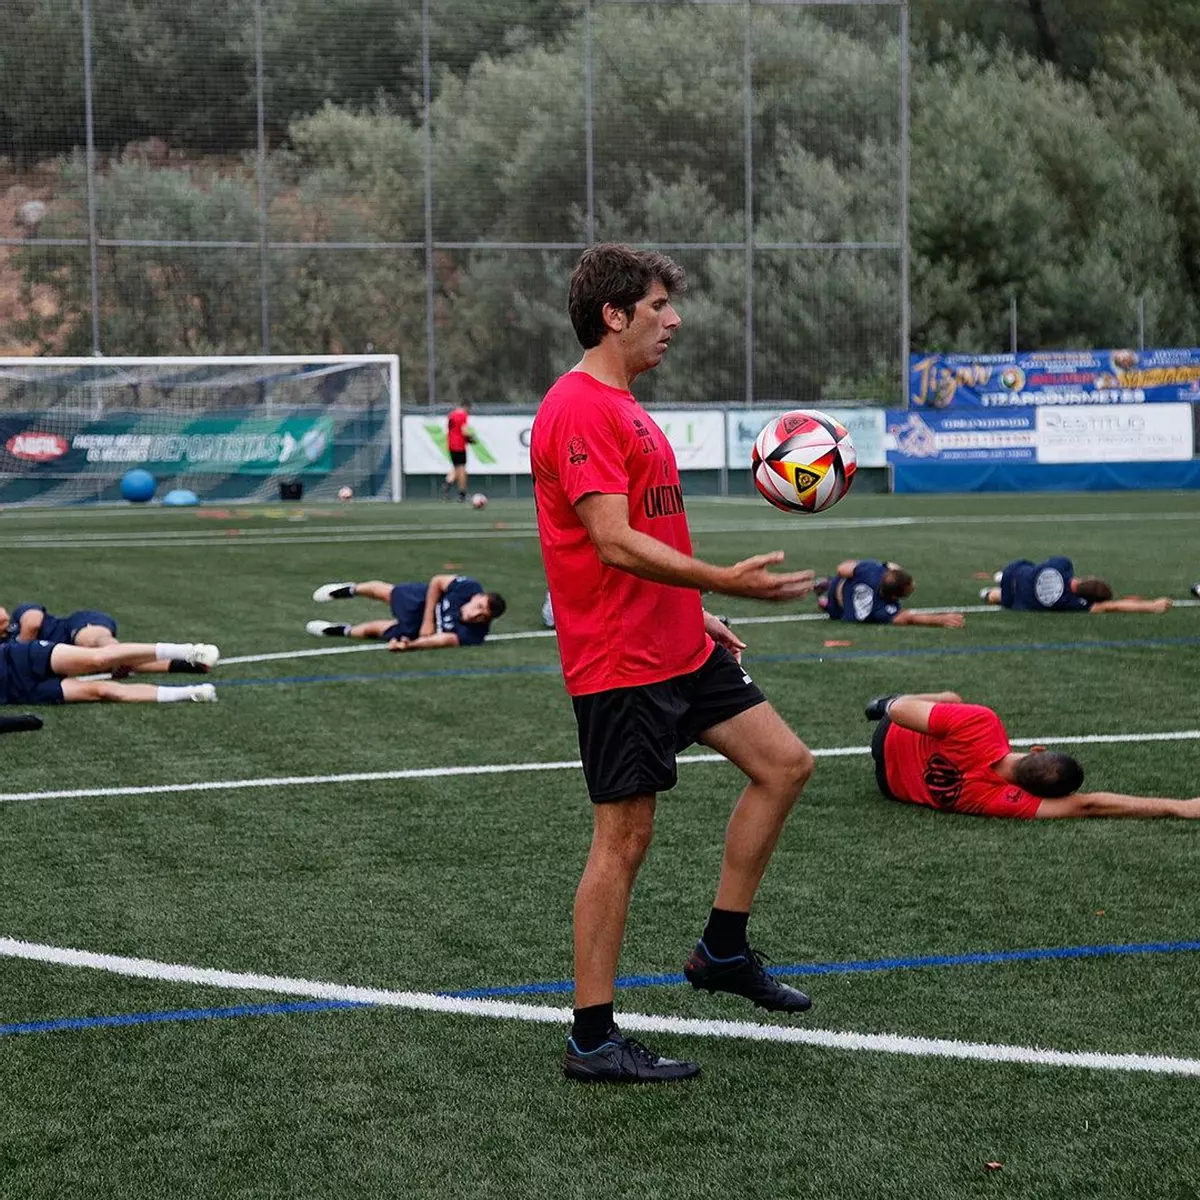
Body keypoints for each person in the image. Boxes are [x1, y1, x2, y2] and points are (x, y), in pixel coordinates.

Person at [532, 243, 819, 1086]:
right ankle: (592, 1039)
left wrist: (695, 609)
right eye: (659, 306)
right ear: (614, 314)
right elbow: (612, 541)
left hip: (679, 645)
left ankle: (721, 951)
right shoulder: (579, 408)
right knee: (623, 840)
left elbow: (644, 535)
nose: (674, 319)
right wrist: (723, 579)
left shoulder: (625, 406)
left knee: (785, 764)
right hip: (621, 661)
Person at [866, 692, 1200, 818]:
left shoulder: (983, 724)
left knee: (951, 698)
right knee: (950, 705)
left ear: (1037, 749)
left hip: (888, 732)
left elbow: (900, 712)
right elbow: (1090, 805)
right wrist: (1178, 806)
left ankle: (882, 700)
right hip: (889, 786)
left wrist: (890, 705)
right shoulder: (1002, 801)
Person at [306, 575, 506, 652]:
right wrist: (428, 621)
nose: (476, 615)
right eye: (479, 607)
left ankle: (338, 630)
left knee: (374, 631)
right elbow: (437, 581)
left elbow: (442, 640)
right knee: (387, 592)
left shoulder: (475, 634)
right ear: (477, 596)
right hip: (422, 601)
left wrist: (409, 645)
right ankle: (348, 590)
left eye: (483, 616)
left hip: (417, 631)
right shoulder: (469, 587)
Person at [0, 603, 212, 675]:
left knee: (94, 642)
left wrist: (23, 653)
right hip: (69, 656)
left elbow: (33, 623)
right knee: (96, 660)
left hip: (77, 627)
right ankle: (182, 664)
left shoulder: (20, 615)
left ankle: (186, 649)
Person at [0, 639, 218, 706]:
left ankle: (187, 651)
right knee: (104, 691)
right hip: (19, 691)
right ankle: (191, 693)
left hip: (18, 659)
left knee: (98, 658)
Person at [980, 557, 1171, 614]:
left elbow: (1045, 565)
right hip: (1014, 600)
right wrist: (1151, 605)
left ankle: (1001, 579)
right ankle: (989, 593)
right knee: (1002, 598)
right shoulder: (1072, 603)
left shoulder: (1063, 565)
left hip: (1014, 570)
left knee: (1030, 570)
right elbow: (1113, 606)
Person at [814, 561, 965, 628]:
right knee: (839, 609)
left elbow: (842, 568)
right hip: (837, 610)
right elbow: (908, 618)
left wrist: (881, 566)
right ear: (894, 597)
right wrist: (939, 619)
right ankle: (826, 601)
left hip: (840, 586)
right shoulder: (881, 610)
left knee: (848, 576)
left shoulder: (872, 570)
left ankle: (828, 584)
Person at [440, 401, 475, 501]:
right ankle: (462, 494)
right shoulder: (463, 415)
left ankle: (447, 484)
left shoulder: (451, 414)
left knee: (456, 468)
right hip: (459, 445)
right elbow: (464, 430)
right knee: (462, 469)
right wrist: (470, 438)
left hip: (451, 444)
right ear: (466, 407)